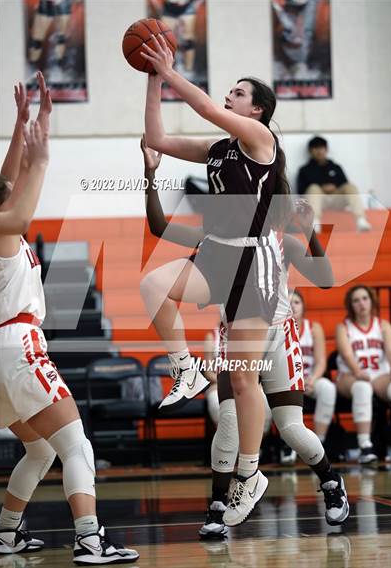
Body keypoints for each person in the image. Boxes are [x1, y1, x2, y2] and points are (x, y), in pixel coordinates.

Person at [141, 136, 349, 535]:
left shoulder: (282, 242)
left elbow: (326, 280)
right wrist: (150, 174)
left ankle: (329, 481)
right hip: (233, 337)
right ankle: (218, 506)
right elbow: (158, 226)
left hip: (277, 339)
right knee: (230, 423)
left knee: (291, 429)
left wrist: (312, 232)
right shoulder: (216, 239)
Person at [141, 30, 294, 526]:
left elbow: (206, 108)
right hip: (219, 255)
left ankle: (249, 474)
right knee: (153, 285)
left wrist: (169, 72)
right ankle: (185, 367)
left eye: (239, 92)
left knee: (244, 379)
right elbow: (158, 140)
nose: (230, 94)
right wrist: (152, 83)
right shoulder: (218, 149)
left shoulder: (261, 141)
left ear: (256, 112)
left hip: (256, 265)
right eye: (230, 90)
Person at [0, 75, 138, 565]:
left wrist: (23, 127)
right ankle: (89, 539)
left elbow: (7, 186)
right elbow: (16, 207)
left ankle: (7, 532)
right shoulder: (1, 228)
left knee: (40, 451)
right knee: (77, 444)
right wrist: (43, 158)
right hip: (16, 344)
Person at [336, 285, 391, 466]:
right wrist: (357, 372)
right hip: (350, 375)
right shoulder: (343, 327)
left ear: (372, 301)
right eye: (356, 300)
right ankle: (365, 446)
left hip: (379, 375)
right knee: (362, 387)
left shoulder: (382, 325)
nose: (361, 303)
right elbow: (347, 354)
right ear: (350, 305)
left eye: (364, 298)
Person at [280, 290, 336, 464]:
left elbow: (320, 361)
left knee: (327, 387)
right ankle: (287, 444)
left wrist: (311, 379)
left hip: (309, 379)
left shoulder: (313, 328)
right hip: (284, 381)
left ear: (303, 306)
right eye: (288, 302)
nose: (292, 306)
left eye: (296, 302)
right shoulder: (274, 329)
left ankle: (319, 443)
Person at [297, 136, 371, 233]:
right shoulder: (305, 170)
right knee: (313, 188)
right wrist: (321, 188)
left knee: (350, 187)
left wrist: (334, 187)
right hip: (317, 202)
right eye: (316, 148)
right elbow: (301, 191)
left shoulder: (336, 167)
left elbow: (345, 185)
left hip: (337, 200)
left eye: (322, 148)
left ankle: (361, 220)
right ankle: (315, 222)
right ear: (310, 151)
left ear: (326, 150)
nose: (319, 151)